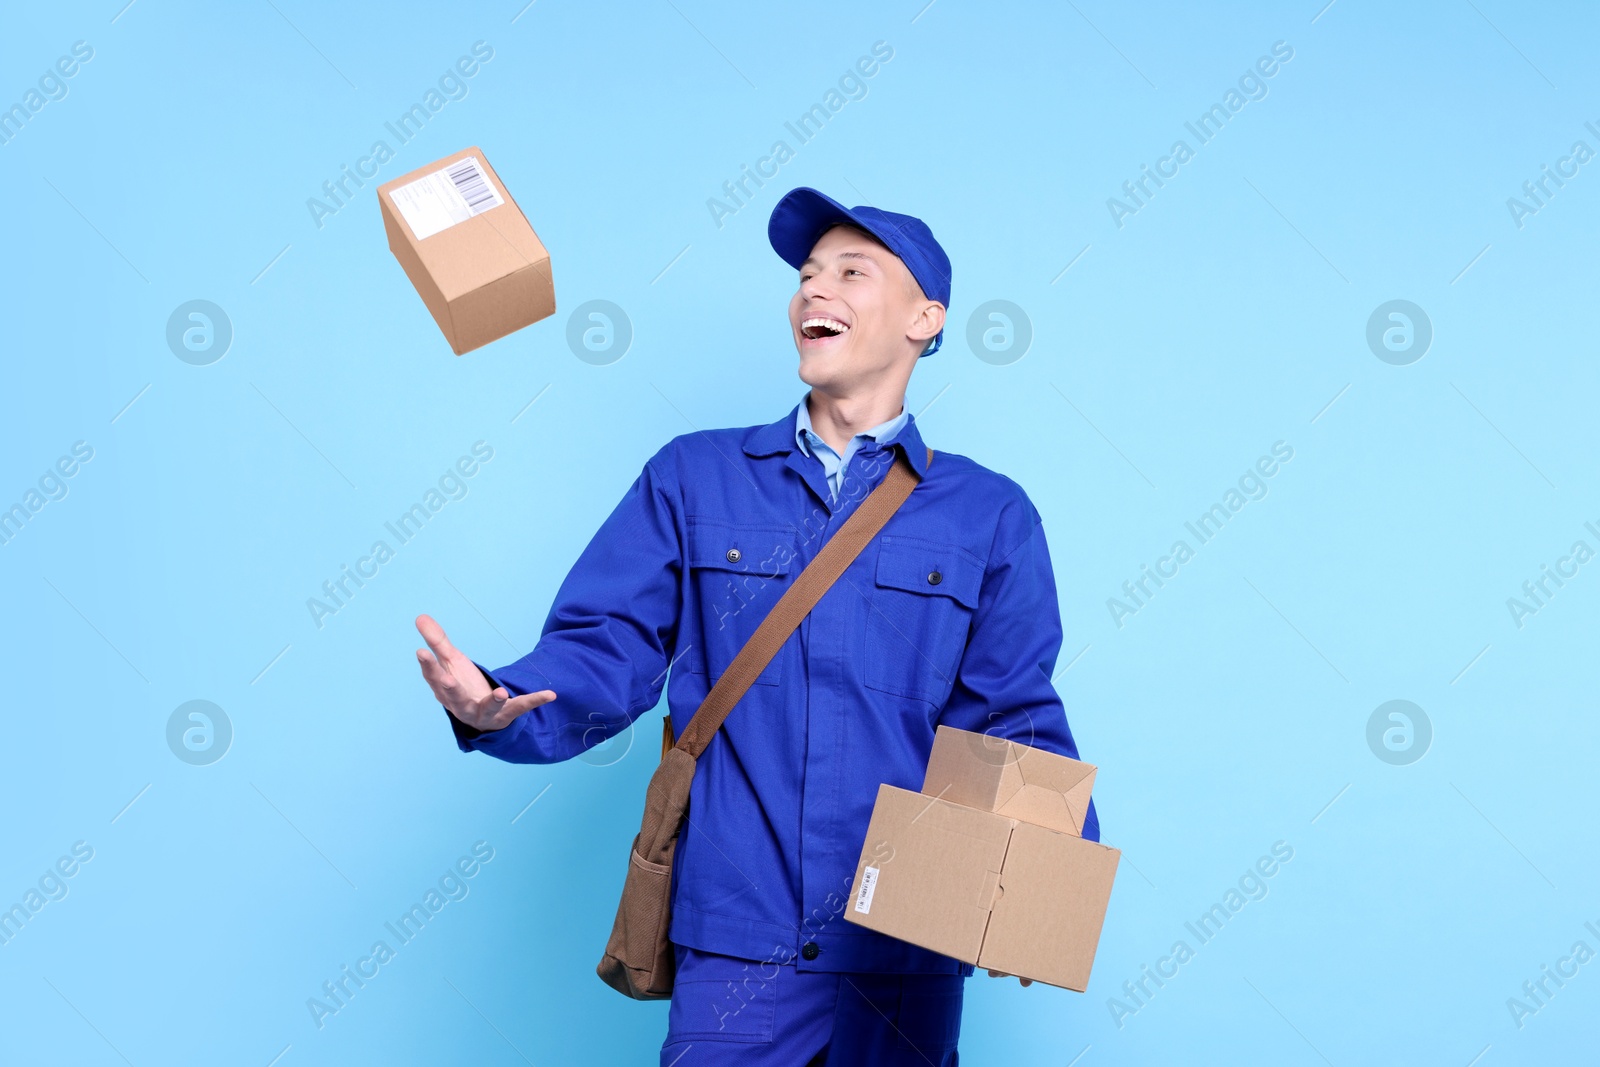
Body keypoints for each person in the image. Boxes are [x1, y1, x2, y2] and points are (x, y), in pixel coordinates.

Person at [414, 187, 1100, 1065]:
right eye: (808, 274)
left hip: (905, 947)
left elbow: (1006, 716)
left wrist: (1043, 890)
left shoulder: (989, 514)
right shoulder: (694, 476)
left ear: (925, 318)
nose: (816, 289)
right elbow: (608, 647)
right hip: (738, 945)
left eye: (853, 271)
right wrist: (500, 702)